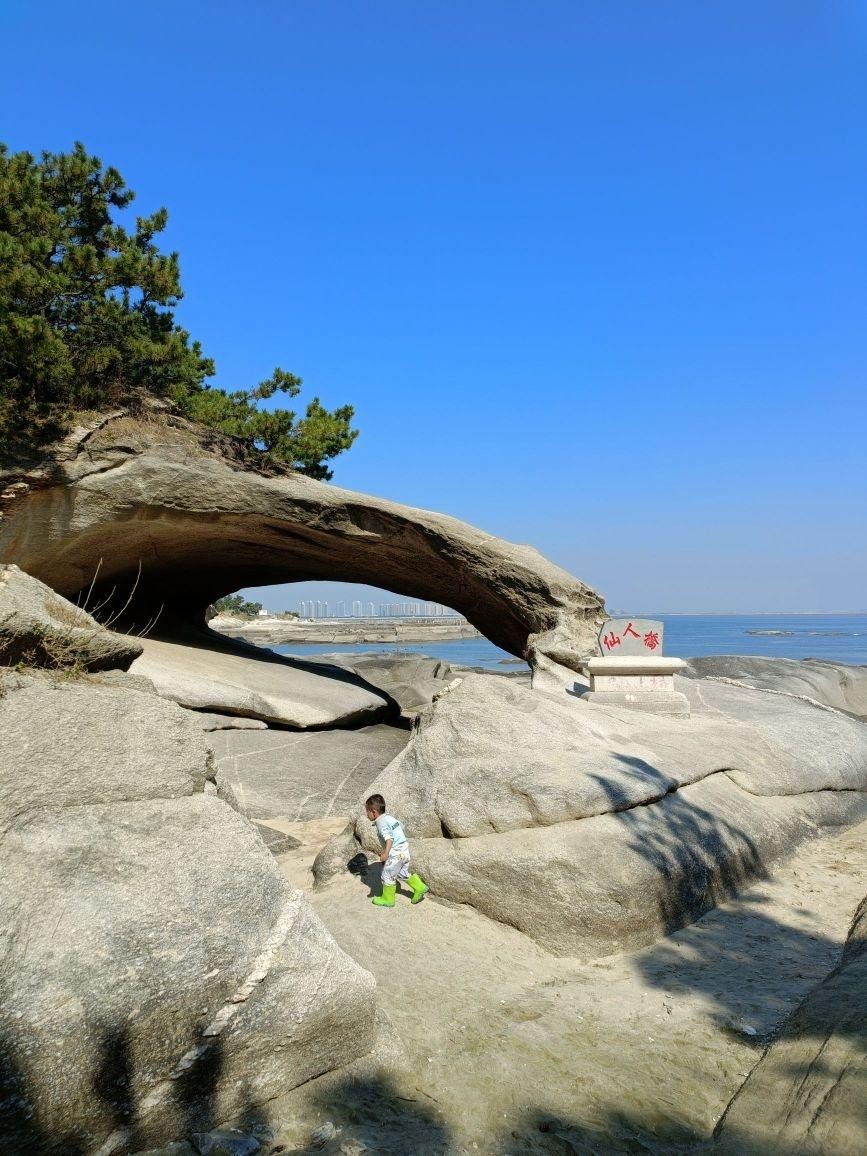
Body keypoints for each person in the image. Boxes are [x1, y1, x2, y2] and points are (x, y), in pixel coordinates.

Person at [365, 793, 429, 908]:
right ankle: (420, 887)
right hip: (404, 850)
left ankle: (388, 899)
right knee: (402, 873)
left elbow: (389, 839)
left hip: (395, 854)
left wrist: (386, 853)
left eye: (367, 811)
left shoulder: (380, 822)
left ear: (374, 812)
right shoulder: (389, 818)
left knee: (387, 875)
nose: (367, 814)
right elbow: (401, 827)